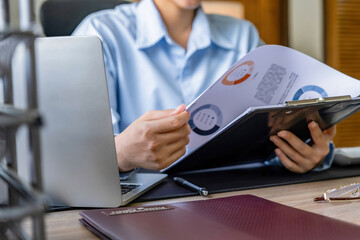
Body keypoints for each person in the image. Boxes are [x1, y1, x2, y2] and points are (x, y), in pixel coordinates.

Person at [72, 0, 336, 174]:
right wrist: (118, 154)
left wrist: (307, 154)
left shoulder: (242, 37)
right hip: (143, 206)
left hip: (235, 196)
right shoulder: (100, 33)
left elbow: (265, 140)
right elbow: (72, 159)